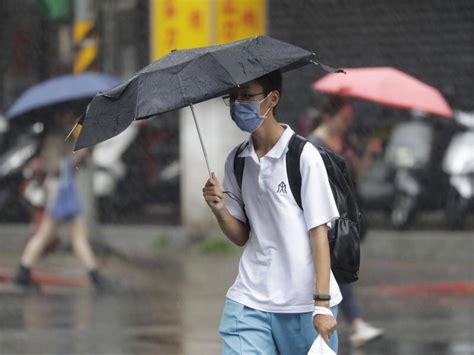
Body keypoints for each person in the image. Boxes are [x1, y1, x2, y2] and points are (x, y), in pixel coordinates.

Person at [202, 70, 342, 354]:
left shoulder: (303, 156)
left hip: (304, 304)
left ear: (272, 98)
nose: (238, 104)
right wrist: (219, 210)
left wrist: (323, 304)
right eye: (233, 98)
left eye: (246, 96)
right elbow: (241, 235)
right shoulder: (237, 160)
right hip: (249, 299)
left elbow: (319, 233)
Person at [308, 95, 384, 347]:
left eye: (349, 119)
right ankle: (354, 322)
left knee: (340, 270)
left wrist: (370, 154)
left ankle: (349, 321)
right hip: (327, 219)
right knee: (337, 269)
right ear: (329, 116)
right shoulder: (313, 145)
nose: (346, 124)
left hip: (346, 218)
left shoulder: (345, 142)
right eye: (344, 118)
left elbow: (357, 175)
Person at [13, 110, 109, 292]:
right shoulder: (54, 138)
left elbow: (79, 158)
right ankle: (95, 276)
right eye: (67, 115)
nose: (70, 119)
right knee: (51, 234)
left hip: (66, 192)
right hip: (59, 192)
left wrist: (87, 144)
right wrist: (79, 153)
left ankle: (24, 271)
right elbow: (56, 165)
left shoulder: (69, 135)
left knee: (66, 235)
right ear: (58, 117)